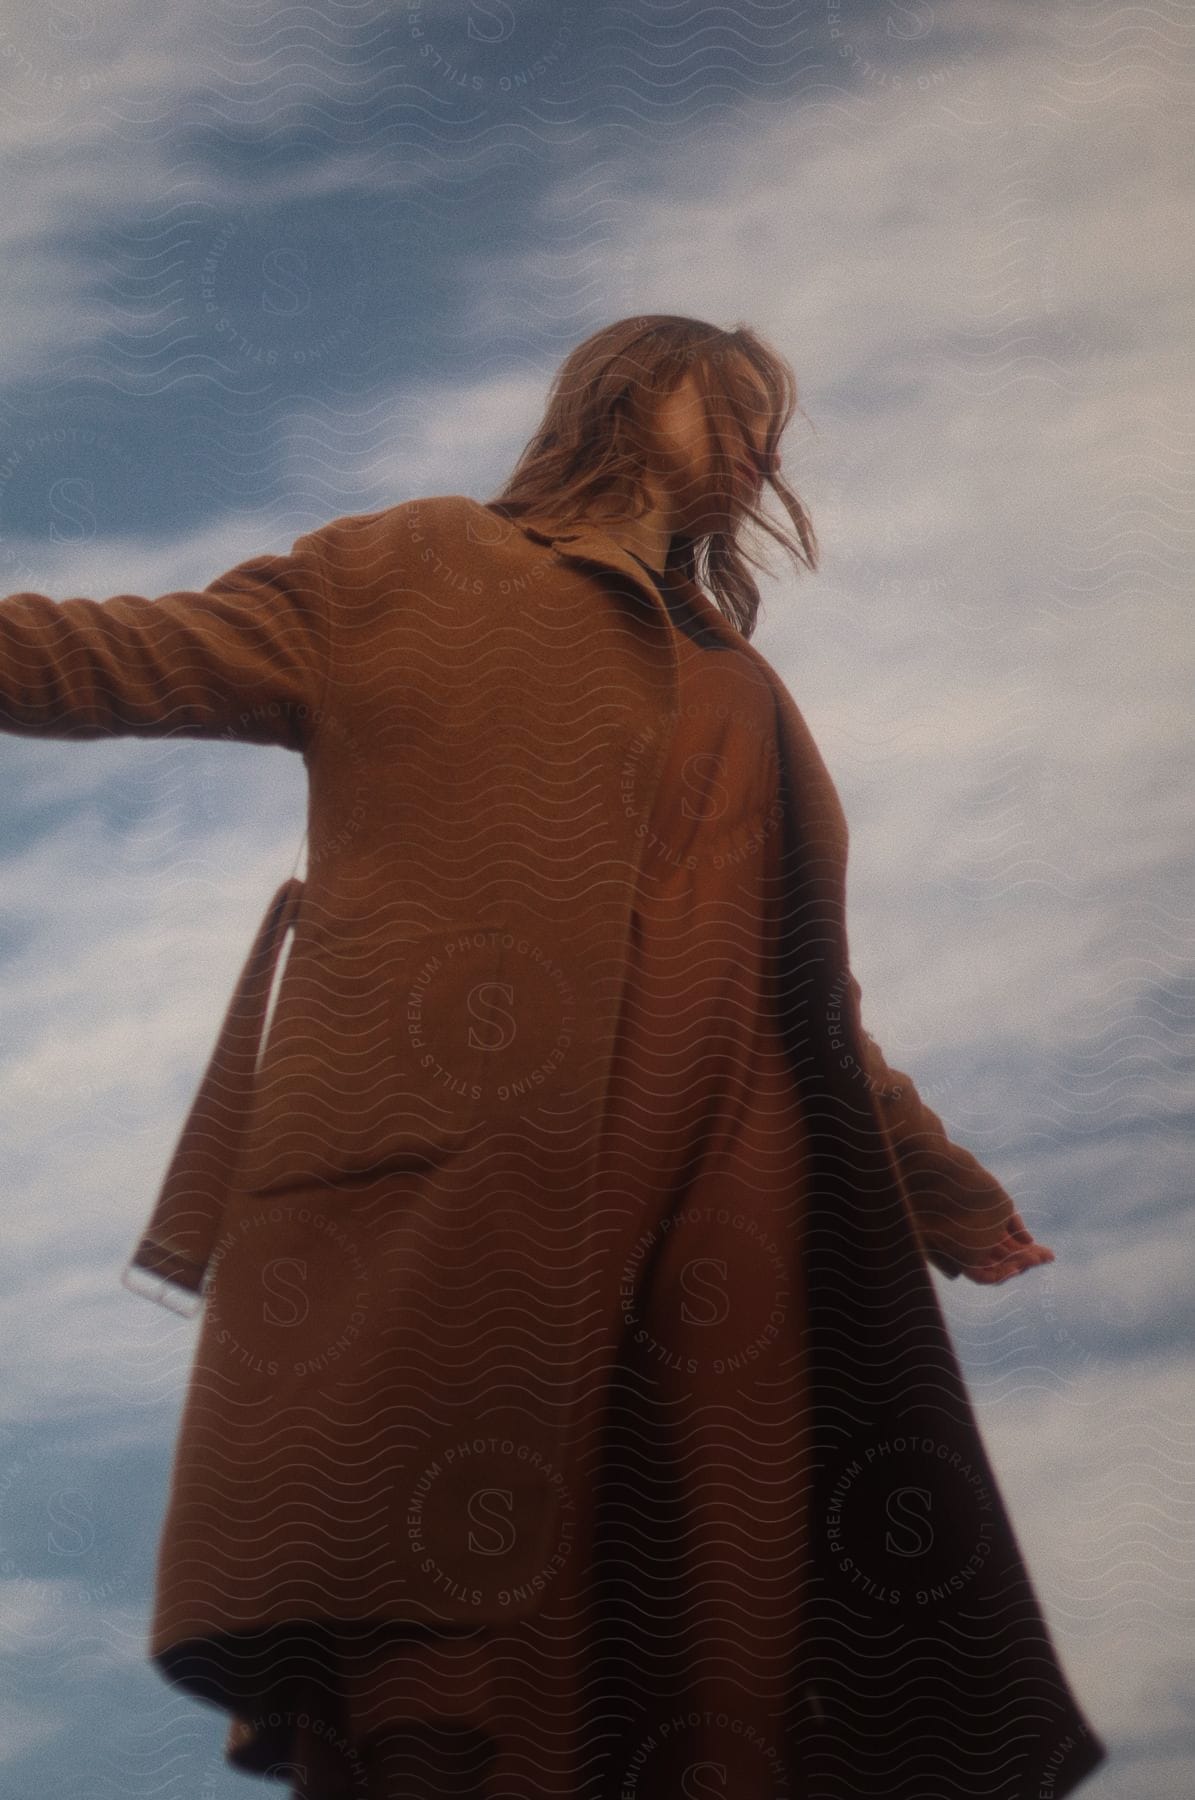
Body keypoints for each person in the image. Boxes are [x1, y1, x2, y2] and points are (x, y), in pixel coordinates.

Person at [0, 315, 1103, 1798]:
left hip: (732, 1197)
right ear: (629, 391)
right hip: (474, 1161)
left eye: (778, 425)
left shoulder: (747, 691)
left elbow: (810, 997)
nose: (765, 443)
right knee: (435, 1643)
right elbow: (116, 653)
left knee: (701, 1623)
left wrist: (950, 1196)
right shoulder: (407, 569)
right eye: (738, 403)